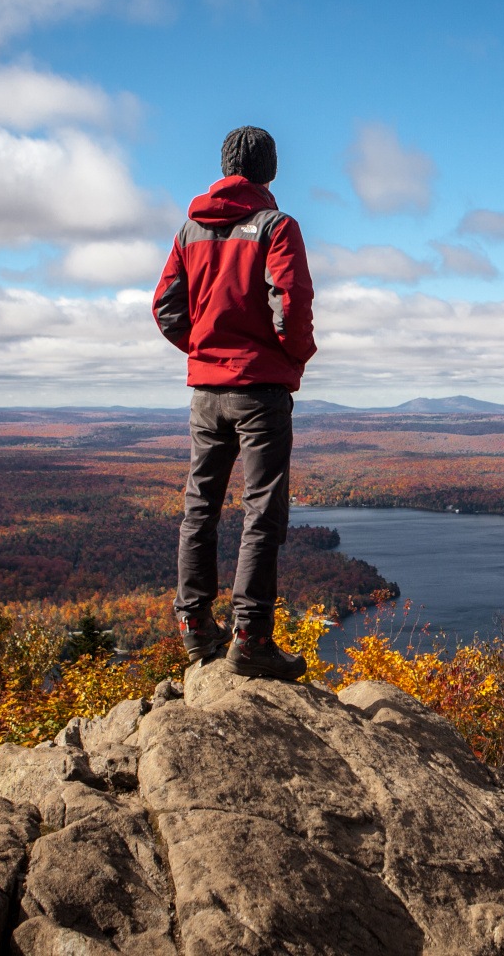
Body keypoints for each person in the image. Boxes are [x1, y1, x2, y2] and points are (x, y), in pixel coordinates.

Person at [152, 126, 316, 680]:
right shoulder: (276, 226)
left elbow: (166, 309)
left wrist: (204, 352)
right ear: (270, 172)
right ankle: (251, 640)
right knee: (262, 511)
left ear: (225, 167)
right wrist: (291, 358)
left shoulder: (189, 230)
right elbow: (290, 305)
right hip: (260, 392)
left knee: (200, 505)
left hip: (207, 393)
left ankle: (196, 627)